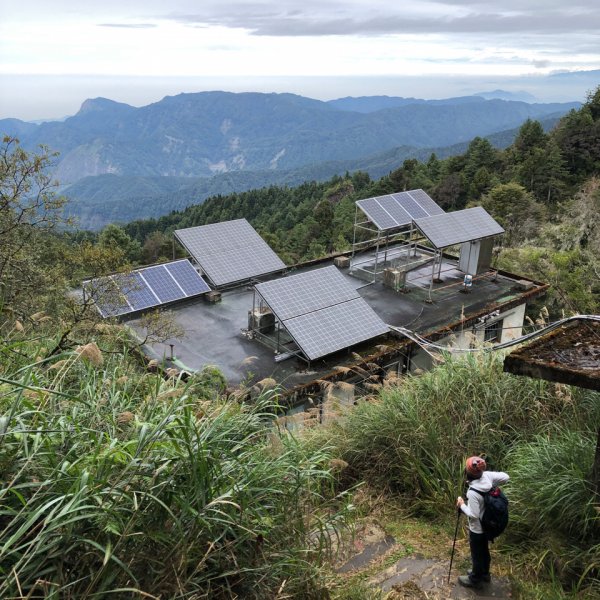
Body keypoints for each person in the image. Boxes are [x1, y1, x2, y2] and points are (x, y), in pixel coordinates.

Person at [456, 456, 509, 588]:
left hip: (477, 529)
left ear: (467, 473)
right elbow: (506, 477)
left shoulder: (472, 492)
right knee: (484, 551)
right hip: (488, 526)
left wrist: (462, 505)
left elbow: (473, 515)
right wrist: (487, 475)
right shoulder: (488, 477)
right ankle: (485, 574)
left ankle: (475, 578)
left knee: (477, 554)